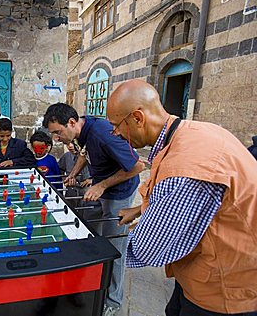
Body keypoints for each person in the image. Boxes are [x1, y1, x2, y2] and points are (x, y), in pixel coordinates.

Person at [107, 79, 257, 316]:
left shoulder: (186, 167)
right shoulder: (192, 132)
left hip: (225, 289)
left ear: (137, 118)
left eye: (116, 125)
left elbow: (148, 247)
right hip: (200, 272)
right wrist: (140, 211)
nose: (115, 133)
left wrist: (94, 251)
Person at [43, 103, 145, 316]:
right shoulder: (82, 127)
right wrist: (73, 173)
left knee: (115, 247)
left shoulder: (102, 134)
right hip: (101, 188)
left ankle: (113, 301)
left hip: (119, 195)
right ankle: (86, 285)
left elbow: (137, 167)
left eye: (57, 132)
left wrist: (102, 185)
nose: (56, 138)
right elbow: (84, 152)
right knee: (89, 236)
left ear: (71, 123)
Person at [58, 141, 92, 209]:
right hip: (71, 192)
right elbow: (59, 171)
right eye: (67, 143)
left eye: (73, 143)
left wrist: (91, 180)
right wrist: (65, 180)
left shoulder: (91, 155)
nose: (70, 146)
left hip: (87, 191)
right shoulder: (66, 156)